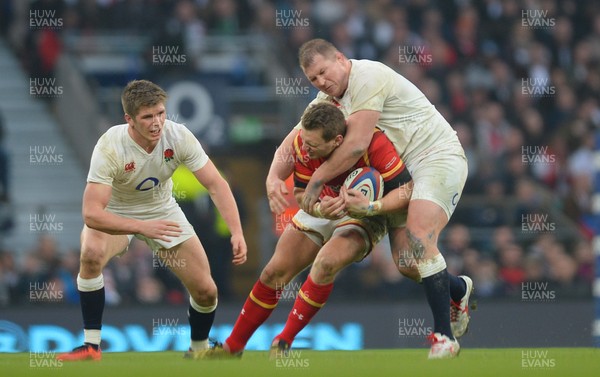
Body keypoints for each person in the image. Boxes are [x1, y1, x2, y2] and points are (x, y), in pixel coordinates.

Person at [266, 39, 473, 359]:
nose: (321, 82)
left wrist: (316, 182)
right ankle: (458, 289)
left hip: (435, 157)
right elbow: (295, 140)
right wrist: (273, 177)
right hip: (396, 177)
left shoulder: (368, 76)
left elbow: (355, 143)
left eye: (323, 72)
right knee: (407, 264)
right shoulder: (327, 100)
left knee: (420, 235)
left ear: (340, 58)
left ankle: (444, 337)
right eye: (313, 79)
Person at [56, 80, 247, 361]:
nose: (157, 123)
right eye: (147, 117)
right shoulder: (110, 145)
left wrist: (237, 232)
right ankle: (91, 346)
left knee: (206, 291)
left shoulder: (178, 136)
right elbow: (92, 213)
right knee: (91, 254)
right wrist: (142, 228)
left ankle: (198, 349)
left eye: (160, 113)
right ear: (129, 120)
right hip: (116, 211)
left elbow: (217, 184)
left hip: (162, 211)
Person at [203, 102, 413, 358]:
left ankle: (284, 340)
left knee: (325, 264)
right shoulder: (302, 145)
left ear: (337, 141)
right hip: (323, 205)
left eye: (313, 145)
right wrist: (320, 209)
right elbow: (302, 193)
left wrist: (370, 206)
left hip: (364, 215)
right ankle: (232, 347)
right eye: (304, 140)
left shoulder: (373, 144)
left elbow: (406, 191)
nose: (305, 148)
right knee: (273, 272)